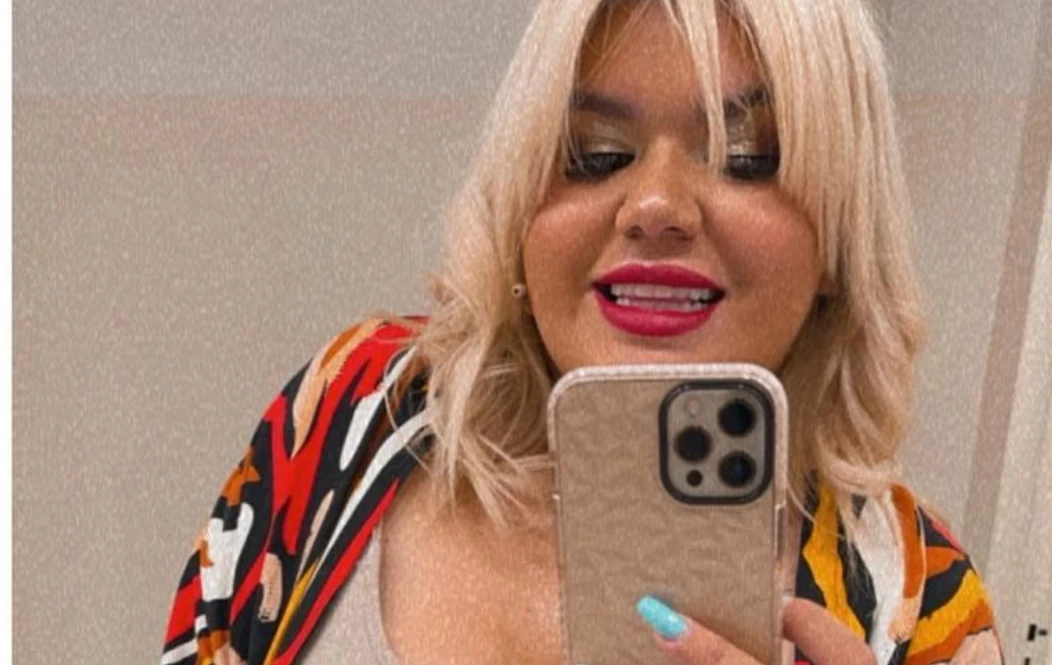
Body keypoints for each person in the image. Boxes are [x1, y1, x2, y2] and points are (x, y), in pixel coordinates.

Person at [160, 0, 1004, 664]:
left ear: (837, 239)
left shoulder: (923, 600)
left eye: (746, 155)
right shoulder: (350, 411)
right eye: (594, 153)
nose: (657, 205)